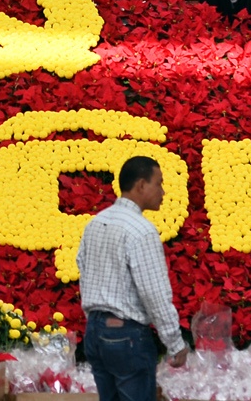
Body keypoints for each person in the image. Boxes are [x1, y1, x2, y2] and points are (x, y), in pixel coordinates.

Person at [76, 156, 188, 401]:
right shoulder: (141, 230)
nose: (163, 191)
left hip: (94, 333)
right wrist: (175, 343)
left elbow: (82, 267)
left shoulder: (95, 223)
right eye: (158, 183)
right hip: (126, 337)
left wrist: (97, 319)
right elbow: (154, 293)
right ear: (141, 185)